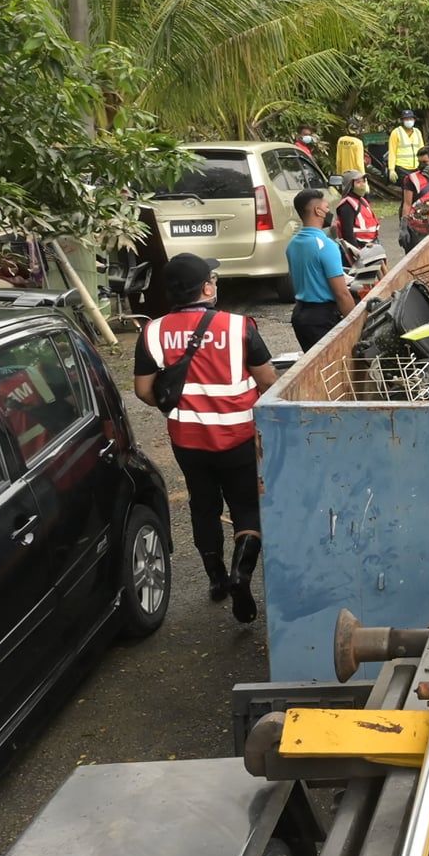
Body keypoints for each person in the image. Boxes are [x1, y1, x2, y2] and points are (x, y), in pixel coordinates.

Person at [134, 254, 279, 622]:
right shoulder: (238, 327)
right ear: (206, 288)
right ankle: (241, 573)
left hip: (188, 440)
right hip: (238, 436)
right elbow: (268, 381)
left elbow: (143, 390)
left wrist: (176, 407)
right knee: (246, 507)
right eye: (212, 278)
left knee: (203, 506)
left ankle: (216, 579)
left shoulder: (152, 333)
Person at [286, 189, 357, 351]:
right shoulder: (326, 245)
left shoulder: (292, 244)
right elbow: (341, 293)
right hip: (322, 317)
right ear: (318, 211)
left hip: (300, 316)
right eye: (326, 207)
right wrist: (355, 324)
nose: (329, 212)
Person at [331, 168, 381, 261]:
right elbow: (348, 233)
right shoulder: (347, 205)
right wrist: (357, 253)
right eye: (358, 182)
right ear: (350, 186)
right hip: (360, 248)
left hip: (371, 244)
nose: (362, 185)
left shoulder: (362, 200)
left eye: (363, 181)